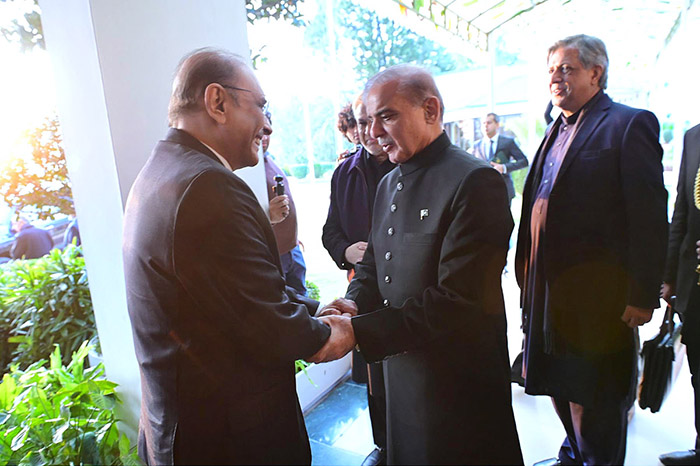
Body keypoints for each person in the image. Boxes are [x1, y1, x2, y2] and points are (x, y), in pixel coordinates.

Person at [122, 48, 354, 465]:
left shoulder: (160, 171)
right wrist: (333, 333)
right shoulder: (207, 186)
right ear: (217, 102)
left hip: (178, 429)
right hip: (226, 438)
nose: (266, 124)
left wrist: (314, 308)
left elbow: (231, 294)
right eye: (261, 106)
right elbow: (267, 324)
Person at [338, 64, 523, 464]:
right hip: (403, 370)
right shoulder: (389, 181)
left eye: (387, 116)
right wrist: (353, 302)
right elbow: (373, 260)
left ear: (431, 110)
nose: (372, 133)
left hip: (457, 381)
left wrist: (357, 333)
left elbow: (457, 299)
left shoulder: (475, 182)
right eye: (368, 121)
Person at [515, 34, 667, 465]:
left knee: (596, 398)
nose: (555, 79)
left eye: (566, 69)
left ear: (595, 73)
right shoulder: (554, 130)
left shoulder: (627, 123)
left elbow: (650, 216)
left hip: (598, 299)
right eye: (551, 71)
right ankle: (574, 454)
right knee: (557, 384)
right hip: (547, 295)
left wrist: (641, 294)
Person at [322, 95, 395, 466]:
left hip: (405, 292)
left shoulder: (407, 167)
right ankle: (383, 446)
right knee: (374, 378)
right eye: (361, 123)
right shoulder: (344, 173)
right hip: (362, 289)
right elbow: (329, 232)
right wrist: (347, 251)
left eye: (375, 120)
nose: (368, 131)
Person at [659, 123, 700, 466]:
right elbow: (682, 212)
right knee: (698, 370)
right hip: (695, 283)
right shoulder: (694, 136)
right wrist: (670, 277)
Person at [263, 111, 307, 296]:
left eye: (267, 130)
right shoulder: (245, 167)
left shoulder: (268, 160)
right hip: (273, 256)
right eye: (259, 131)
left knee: (303, 304)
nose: (264, 137)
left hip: (292, 250)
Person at [472, 112, 529, 205]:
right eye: (483, 123)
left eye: (489, 123)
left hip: (503, 190)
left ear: (497, 125)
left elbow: (524, 161)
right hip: (483, 192)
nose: (486, 126)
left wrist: (504, 168)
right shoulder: (476, 146)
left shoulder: (508, 142)